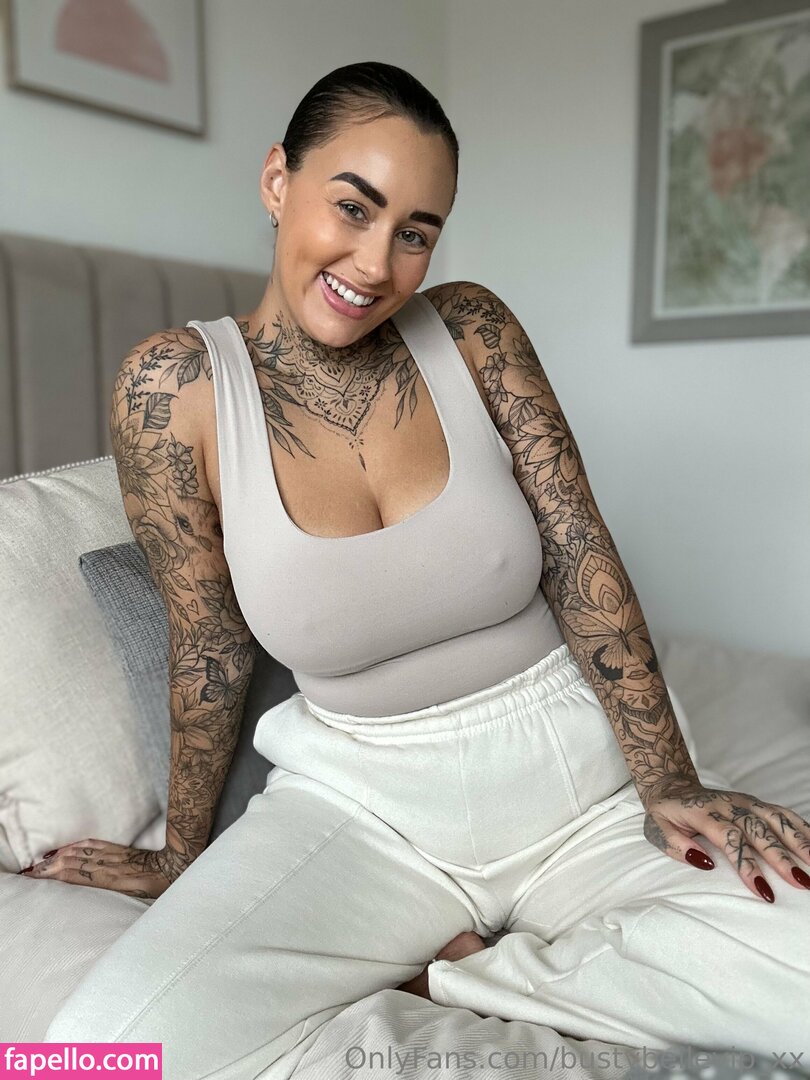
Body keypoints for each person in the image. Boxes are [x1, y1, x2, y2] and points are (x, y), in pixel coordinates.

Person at [34, 60, 810, 1076]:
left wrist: (671, 778)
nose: (375, 262)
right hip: (365, 809)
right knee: (93, 1053)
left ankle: (469, 977)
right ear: (277, 180)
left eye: (416, 231)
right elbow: (207, 647)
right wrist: (182, 854)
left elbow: (582, 552)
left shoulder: (472, 328)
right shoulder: (171, 387)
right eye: (352, 207)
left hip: (577, 781)